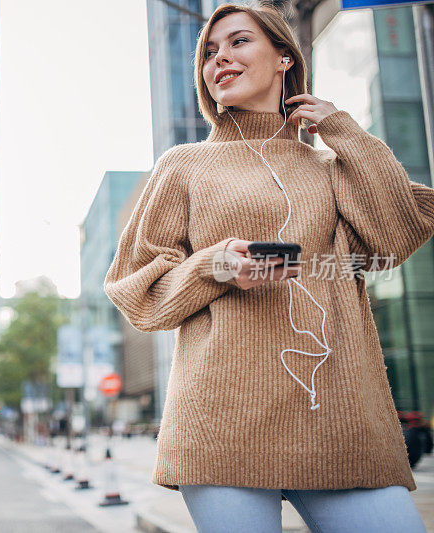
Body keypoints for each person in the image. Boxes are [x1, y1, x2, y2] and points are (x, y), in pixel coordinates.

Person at [103, 2, 434, 532]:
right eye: (209, 53)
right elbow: (135, 288)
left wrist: (343, 130)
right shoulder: (183, 165)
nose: (220, 60)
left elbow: (394, 239)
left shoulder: (331, 165)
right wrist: (215, 266)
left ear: (284, 57)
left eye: (238, 42)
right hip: (222, 421)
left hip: (341, 422)